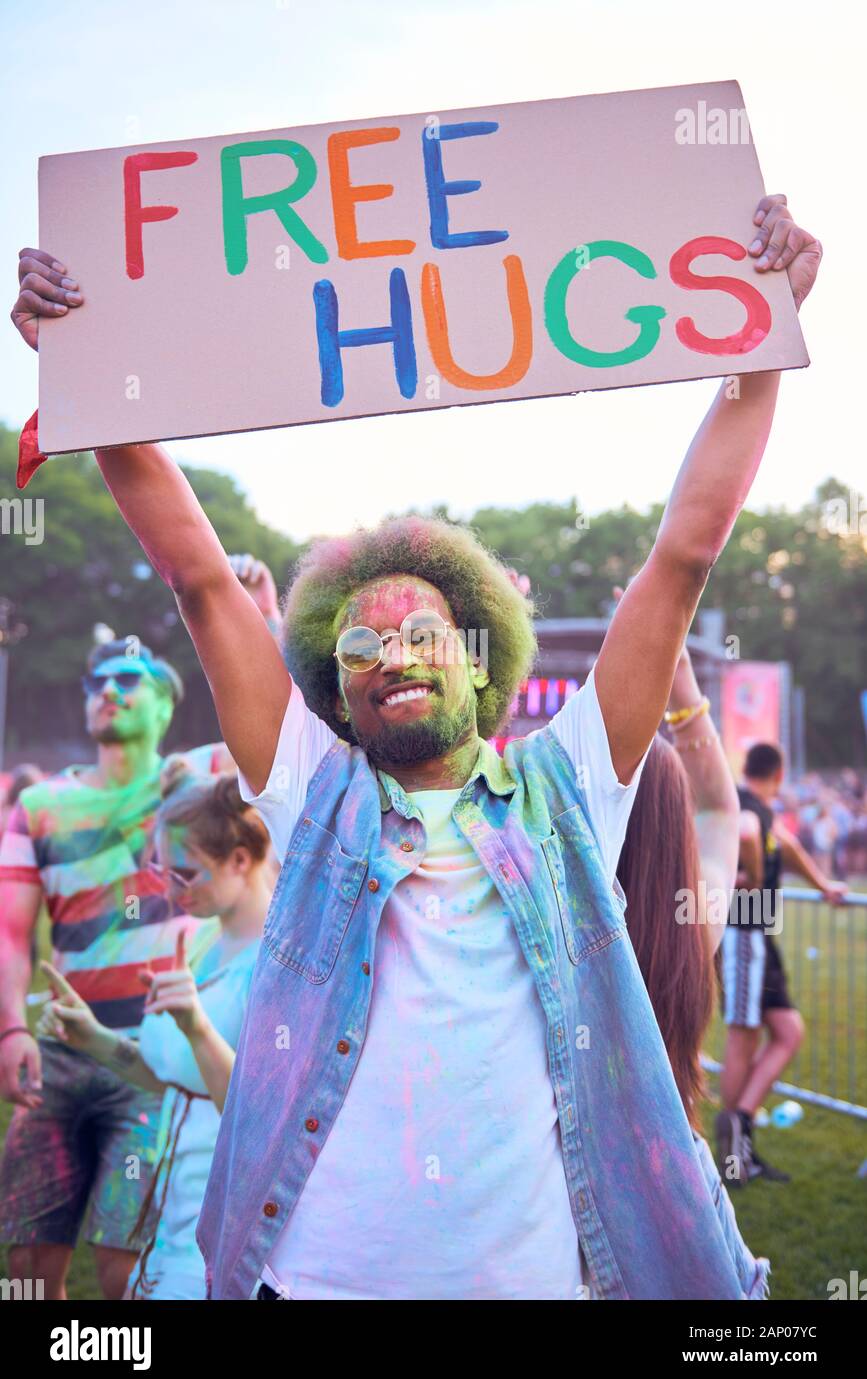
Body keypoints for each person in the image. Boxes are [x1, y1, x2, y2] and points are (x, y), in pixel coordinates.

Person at [12, 192, 823, 1300]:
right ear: (333, 695)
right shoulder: (313, 794)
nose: (390, 651)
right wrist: (95, 373)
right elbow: (200, 578)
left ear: (480, 658)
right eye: (358, 642)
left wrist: (758, 347)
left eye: (420, 631)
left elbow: (682, 554)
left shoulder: (570, 785)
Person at [0, 637, 224, 1299]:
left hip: (159, 1056)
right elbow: (12, 934)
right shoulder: (39, 807)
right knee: (31, 1269)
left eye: (129, 679)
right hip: (62, 1049)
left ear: (165, 704)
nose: (108, 691)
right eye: (97, 681)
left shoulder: (198, 784)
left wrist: (264, 617)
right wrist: (11, 1029)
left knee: (128, 1267)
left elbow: (277, 738)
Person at [34, 762, 272, 1299]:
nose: (169, 889)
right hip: (165, 1218)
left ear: (239, 860)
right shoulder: (205, 939)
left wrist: (196, 1027)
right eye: (162, 871)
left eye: (184, 873)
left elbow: (260, 1114)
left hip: (221, 1226)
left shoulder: (279, 965)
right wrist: (91, 1036)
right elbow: (167, 1075)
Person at [615, 638, 770, 1298]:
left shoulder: (550, 931)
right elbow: (719, 809)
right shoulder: (686, 925)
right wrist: (678, 685)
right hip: (684, 1193)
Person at [716, 741, 848, 1186]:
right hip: (743, 931)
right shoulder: (748, 806)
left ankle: (742, 1129)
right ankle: (733, 1159)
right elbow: (751, 834)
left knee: (788, 1031)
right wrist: (752, 876)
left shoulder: (758, 807)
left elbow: (785, 846)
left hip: (755, 937)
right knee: (742, 1039)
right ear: (779, 771)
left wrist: (823, 884)